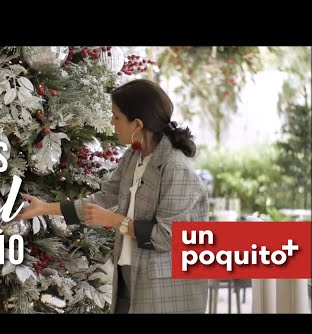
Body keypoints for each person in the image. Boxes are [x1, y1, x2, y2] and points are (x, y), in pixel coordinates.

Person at [16, 79, 209, 313]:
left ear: (137, 124)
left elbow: (166, 237)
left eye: (116, 117)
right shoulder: (134, 156)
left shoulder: (175, 168)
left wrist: (116, 221)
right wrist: (45, 208)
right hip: (129, 276)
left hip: (164, 288)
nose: (111, 122)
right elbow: (104, 198)